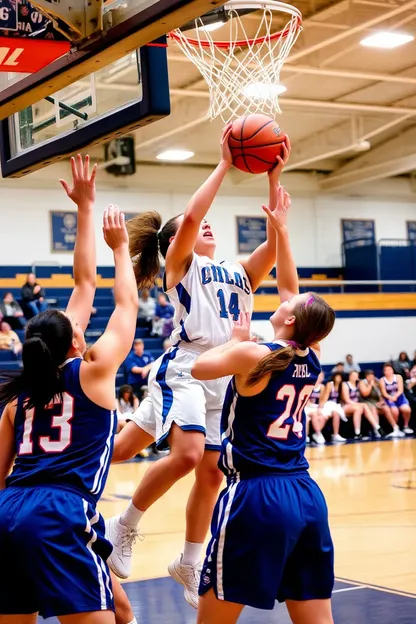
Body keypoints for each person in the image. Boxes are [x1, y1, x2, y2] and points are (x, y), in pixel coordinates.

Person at [106, 127, 290, 608]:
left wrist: (275, 176)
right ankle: (123, 526)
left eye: (212, 224)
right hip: (187, 367)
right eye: (196, 227)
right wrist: (227, 164)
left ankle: (189, 560)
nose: (207, 225)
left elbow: (274, 239)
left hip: (224, 376)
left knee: (198, 471)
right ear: (172, 246)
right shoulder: (181, 267)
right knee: (187, 456)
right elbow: (191, 215)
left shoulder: (239, 272)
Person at [0, 155, 139, 624]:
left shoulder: (19, 400)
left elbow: (83, 282)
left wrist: (84, 208)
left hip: (8, 511)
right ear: (75, 340)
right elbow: (124, 302)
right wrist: (120, 247)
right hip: (61, 512)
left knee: (118, 605)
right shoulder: (93, 372)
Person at [191, 187, 336, 624]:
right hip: (306, 495)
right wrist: (281, 230)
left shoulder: (253, 354)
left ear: (289, 319)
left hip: (256, 496)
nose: (285, 296)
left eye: (288, 303)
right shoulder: (309, 356)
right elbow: (290, 287)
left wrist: (235, 342)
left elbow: (198, 367)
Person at [341, 370, 385, 440]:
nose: (355, 377)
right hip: (346, 406)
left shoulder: (358, 384)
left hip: (357, 406)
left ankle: (357, 433)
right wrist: (358, 404)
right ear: (350, 376)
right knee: (363, 406)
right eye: (353, 376)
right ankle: (377, 427)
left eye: (356, 376)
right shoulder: (345, 384)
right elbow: (347, 400)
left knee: (360, 409)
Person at [359, 370, 403, 438]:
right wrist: (370, 385)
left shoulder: (377, 381)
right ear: (365, 376)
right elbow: (365, 393)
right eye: (368, 375)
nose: (370, 377)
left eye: (372, 375)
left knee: (386, 408)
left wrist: (382, 401)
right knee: (373, 409)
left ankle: (395, 428)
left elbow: (381, 394)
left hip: (376, 402)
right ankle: (377, 430)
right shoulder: (362, 382)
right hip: (367, 402)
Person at [380, 363, 413, 435]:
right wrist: (390, 397)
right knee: (395, 411)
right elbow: (384, 393)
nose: (388, 371)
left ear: (392, 370)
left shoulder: (398, 377)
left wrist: (395, 396)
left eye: (389, 369)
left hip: (399, 397)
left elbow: (401, 390)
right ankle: (396, 428)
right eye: (386, 370)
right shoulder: (382, 380)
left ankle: (406, 426)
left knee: (407, 410)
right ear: (384, 371)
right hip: (389, 398)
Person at [320, 372, 347, 443]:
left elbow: (342, 398)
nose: (338, 379)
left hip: (336, 405)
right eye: (337, 377)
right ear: (334, 377)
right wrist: (321, 406)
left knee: (336, 414)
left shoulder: (342, 386)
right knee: (326, 415)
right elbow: (325, 397)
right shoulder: (330, 384)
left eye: (340, 377)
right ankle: (318, 433)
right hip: (328, 404)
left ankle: (335, 435)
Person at [304, 372, 326, 445]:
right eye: (319, 376)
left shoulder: (322, 387)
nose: (320, 378)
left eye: (322, 376)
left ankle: (315, 434)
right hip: (307, 407)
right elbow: (305, 400)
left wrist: (319, 408)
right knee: (313, 415)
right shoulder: (309, 385)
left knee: (323, 417)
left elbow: (322, 400)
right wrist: (313, 406)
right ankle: (318, 434)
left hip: (316, 407)